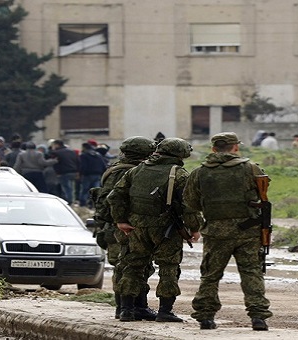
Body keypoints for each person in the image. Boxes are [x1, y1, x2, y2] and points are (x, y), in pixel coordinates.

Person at [107, 137, 202, 323]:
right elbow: (189, 206)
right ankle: (165, 311)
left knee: (132, 267)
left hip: (136, 229)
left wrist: (120, 220)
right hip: (166, 230)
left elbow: (115, 196)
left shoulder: (136, 170)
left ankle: (126, 310)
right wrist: (195, 228)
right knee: (168, 268)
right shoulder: (180, 174)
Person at [184, 132, 272, 331]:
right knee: (251, 272)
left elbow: (190, 201)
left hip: (216, 232)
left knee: (210, 275)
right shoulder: (251, 168)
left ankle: (206, 316)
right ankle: (258, 317)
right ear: (236, 147)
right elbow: (263, 195)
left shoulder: (199, 172)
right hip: (248, 232)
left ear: (213, 149)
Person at [92, 136, 157, 320]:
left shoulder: (112, 170)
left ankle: (123, 307)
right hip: (127, 226)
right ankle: (134, 307)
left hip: (113, 226)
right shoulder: (133, 172)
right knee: (136, 266)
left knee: (123, 267)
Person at [49, 140, 79, 204]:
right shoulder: (72, 151)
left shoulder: (56, 152)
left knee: (66, 188)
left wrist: (57, 172)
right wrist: (77, 171)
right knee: (71, 188)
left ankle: (68, 201)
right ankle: (72, 200)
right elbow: (78, 161)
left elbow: (55, 164)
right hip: (73, 172)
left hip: (63, 172)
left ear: (57, 144)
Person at [79, 142, 108, 207]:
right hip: (97, 175)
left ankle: (83, 204)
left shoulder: (83, 155)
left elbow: (83, 166)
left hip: (87, 175)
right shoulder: (98, 154)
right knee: (95, 190)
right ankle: (93, 204)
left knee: (85, 190)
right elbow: (103, 165)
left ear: (84, 148)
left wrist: (81, 173)